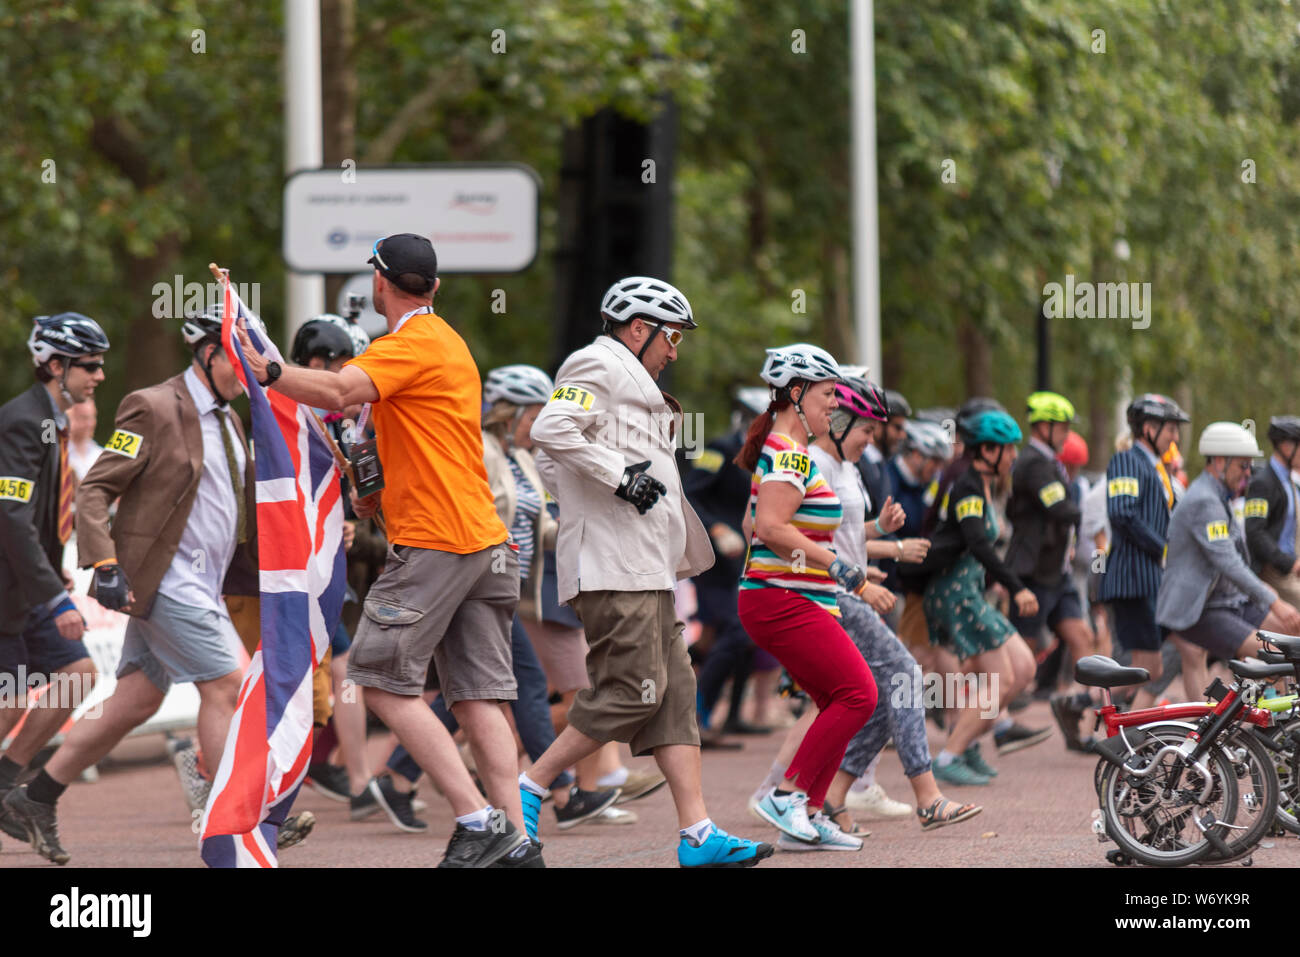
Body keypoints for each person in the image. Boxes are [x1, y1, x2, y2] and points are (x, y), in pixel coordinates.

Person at [237, 232, 534, 867]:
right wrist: (378, 488)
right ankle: (517, 838)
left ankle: (479, 821)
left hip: (437, 541)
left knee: (377, 679)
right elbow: (424, 436)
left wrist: (267, 371)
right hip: (483, 539)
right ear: (433, 285)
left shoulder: (410, 344)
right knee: (480, 696)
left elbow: (339, 392)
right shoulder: (446, 341)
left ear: (380, 281)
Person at [514, 276, 770, 868]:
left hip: (646, 566)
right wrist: (618, 479)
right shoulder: (594, 363)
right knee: (634, 692)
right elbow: (551, 430)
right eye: (670, 336)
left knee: (676, 696)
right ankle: (530, 786)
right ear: (638, 328)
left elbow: (560, 462)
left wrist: (584, 490)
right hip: (613, 566)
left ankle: (699, 834)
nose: (674, 349)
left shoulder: (632, 379)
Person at [3, 309, 255, 865]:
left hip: (197, 582)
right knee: (225, 687)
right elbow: (44, 505)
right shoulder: (142, 406)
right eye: (88, 366)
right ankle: (232, 825)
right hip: (149, 580)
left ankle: (32, 795)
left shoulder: (231, 417)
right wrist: (99, 567)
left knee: (127, 694)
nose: (98, 375)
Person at [806, 377, 981, 836]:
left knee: (884, 694)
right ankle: (928, 796)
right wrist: (859, 582)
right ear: (841, 425)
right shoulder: (812, 464)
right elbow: (802, 542)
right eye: (867, 429)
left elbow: (842, 536)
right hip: (834, 594)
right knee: (906, 675)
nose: (874, 439)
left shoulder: (847, 466)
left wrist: (881, 534)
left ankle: (833, 797)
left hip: (851, 588)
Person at [737, 343, 877, 850]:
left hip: (792, 595)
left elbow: (753, 521)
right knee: (861, 694)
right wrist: (835, 563)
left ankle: (811, 813)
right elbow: (770, 527)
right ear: (795, 393)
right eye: (825, 394)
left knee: (833, 699)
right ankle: (788, 795)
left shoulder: (785, 452)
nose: (834, 404)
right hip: (779, 597)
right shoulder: (790, 454)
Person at [0, 314, 108, 853]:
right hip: (12, 590)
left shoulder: (54, 419)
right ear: (57, 366)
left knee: (79, 673)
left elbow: (34, 515)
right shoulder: (22, 419)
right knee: (12, 700)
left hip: (29, 581)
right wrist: (52, 593)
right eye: (91, 365)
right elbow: (10, 514)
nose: (100, 376)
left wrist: (50, 564)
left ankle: (8, 785)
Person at [911, 410, 1048, 786]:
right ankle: (949, 754)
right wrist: (1017, 587)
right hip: (954, 594)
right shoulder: (967, 486)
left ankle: (968, 739)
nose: (1014, 456)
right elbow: (978, 543)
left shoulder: (988, 484)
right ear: (986, 450)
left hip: (971, 592)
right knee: (1001, 678)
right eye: (1008, 449)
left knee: (1023, 669)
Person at [1157, 423, 1300, 689]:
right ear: (1220, 461)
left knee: (1292, 634)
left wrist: (1268, 596)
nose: (1248, 474)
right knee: (1279, 658)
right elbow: (1227, 561)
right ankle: (1277, 727)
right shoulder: (1204, 501)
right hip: (1202, 609)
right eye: (1242, 466)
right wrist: (1274, 602)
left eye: (1249, 466)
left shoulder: (1219, 496)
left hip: (1228, 602)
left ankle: (1270, 720)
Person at [1003, 392, 1097, 750]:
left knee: (1082, 640)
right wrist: (1080, 511)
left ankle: (1074, 709)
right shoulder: (1031, 463)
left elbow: (1065, 506)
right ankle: (978, 724)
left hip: (1057, 576)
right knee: (1017, 663)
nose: (1067, 433)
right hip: (1032, 575)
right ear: (1044, 426)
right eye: (1063, 426)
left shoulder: (1051, 463)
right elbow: (1061, 508)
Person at [683, 387, 774, 742]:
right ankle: (696, 717)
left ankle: (732, 716)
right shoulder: (718, 450)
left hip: (746, 560)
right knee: (737, 630)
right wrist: (717, 527)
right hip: (713, 560)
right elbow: (688, 494)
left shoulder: (766, 456)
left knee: (744, 634)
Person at [1095, 393, 1188, 709]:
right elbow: (1122, 513)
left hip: (1151, 580)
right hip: (1132, 579)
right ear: (1148, 427)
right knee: (1150, 667)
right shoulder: (1126, 460)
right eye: (1171, 428)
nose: (1175, 436)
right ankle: (1126, 741)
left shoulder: (1156, 467)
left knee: (1155, 666)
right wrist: (1162, 548)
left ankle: (1122, 734)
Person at [1244, 416, 1300, 608]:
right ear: (1285, 446)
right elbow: (1255, 532)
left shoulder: (1289, 481)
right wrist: (1290, 563)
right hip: (1274, 572)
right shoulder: (1263, 483)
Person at [66, 399, 103, 481]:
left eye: (93, 417)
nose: (90, 423)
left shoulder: (100, 454)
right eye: (84, 418)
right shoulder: (60, 452)